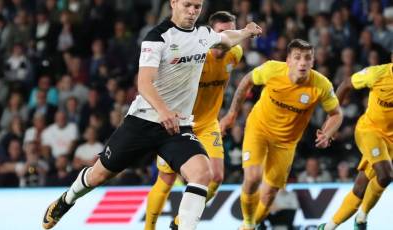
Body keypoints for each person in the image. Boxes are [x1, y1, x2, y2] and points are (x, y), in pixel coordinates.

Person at [42, 0, 262, 229]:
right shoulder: (157, 37)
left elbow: (226, 39)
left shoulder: (203, 34)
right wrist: (164, 111)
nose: (192, 11)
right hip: (143, 121)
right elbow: (144, 83)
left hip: (178, 127)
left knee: (203, 174)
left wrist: (246, 32)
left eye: (197, 6)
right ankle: (66, 200)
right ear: (173, 3)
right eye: (187, 5)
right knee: (98, 176)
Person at [220, 39, 343, 230]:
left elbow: (336, 114)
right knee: (252, 178)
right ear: (288, 60)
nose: (302, 62)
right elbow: (247, 81)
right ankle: (249, 223)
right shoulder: (271, 70)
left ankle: (249, 226)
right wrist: (231, 114)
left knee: (269, 195)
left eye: (307, 58)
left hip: (286, 143)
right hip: (259, 129)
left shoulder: (321, 85)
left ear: (313, 62)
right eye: (297, 57)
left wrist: (328, 133)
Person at [144, 11, 243, 230]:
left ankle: (180, 222)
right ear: (210, 33)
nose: (226, 39)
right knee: (166, 179)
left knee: (216, 177)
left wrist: (228, 113)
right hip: (181, 124)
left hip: (208, 124)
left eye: (231, 33)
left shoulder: (235, 53)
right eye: (221, 33)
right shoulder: (194, 55)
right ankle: (148, 227)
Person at [318, 53, 393, 230]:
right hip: (369, 131)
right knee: (386, 174)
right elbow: (345, 85)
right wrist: (332, 120)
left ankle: (328, 227)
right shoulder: (377, 74)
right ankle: (362, 218)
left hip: (390, 141)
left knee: (360, 188)